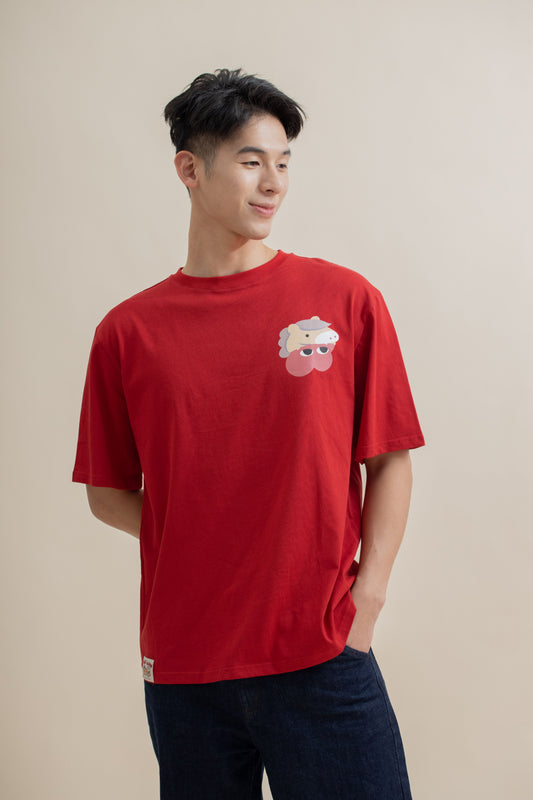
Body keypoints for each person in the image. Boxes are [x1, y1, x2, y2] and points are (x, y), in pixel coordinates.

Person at [72, 67, 425, 799]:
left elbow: (389, 459)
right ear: (190, 169)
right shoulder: (127, 333)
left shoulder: (344, 300)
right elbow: (107, 494)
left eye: (283, 163)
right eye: (250, 161)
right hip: (186, 667)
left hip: (321, 652)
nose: (273, 184)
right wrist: (213, 533)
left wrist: (366, 599)